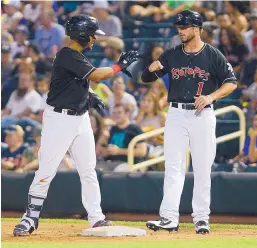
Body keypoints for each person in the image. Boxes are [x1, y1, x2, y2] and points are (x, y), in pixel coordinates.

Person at [13, 15, 139, 236]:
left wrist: (89, 96)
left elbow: (74, 82)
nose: (94, 39)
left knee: (88, 169)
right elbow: (99, 75)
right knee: (46, 170)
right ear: (82, 34)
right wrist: (120, 65)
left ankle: (96, 217)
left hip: (79, 119)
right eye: (92, 35)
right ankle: (30, 217)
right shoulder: (67, 54)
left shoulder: (74, 56)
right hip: (59, 120)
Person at [141, 10, 237, 234]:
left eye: (184, 27)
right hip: (175, 113)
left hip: (202, 115)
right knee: (173, 167)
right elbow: (146, 78)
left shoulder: (213, 55)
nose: (180, 30)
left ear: (196, 28)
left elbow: (231, 82)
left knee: (202, 167)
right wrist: (150, 69)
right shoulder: (172, 54)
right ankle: (168, 218)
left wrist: (211, 97)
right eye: (178, 27)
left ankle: (201, 218)